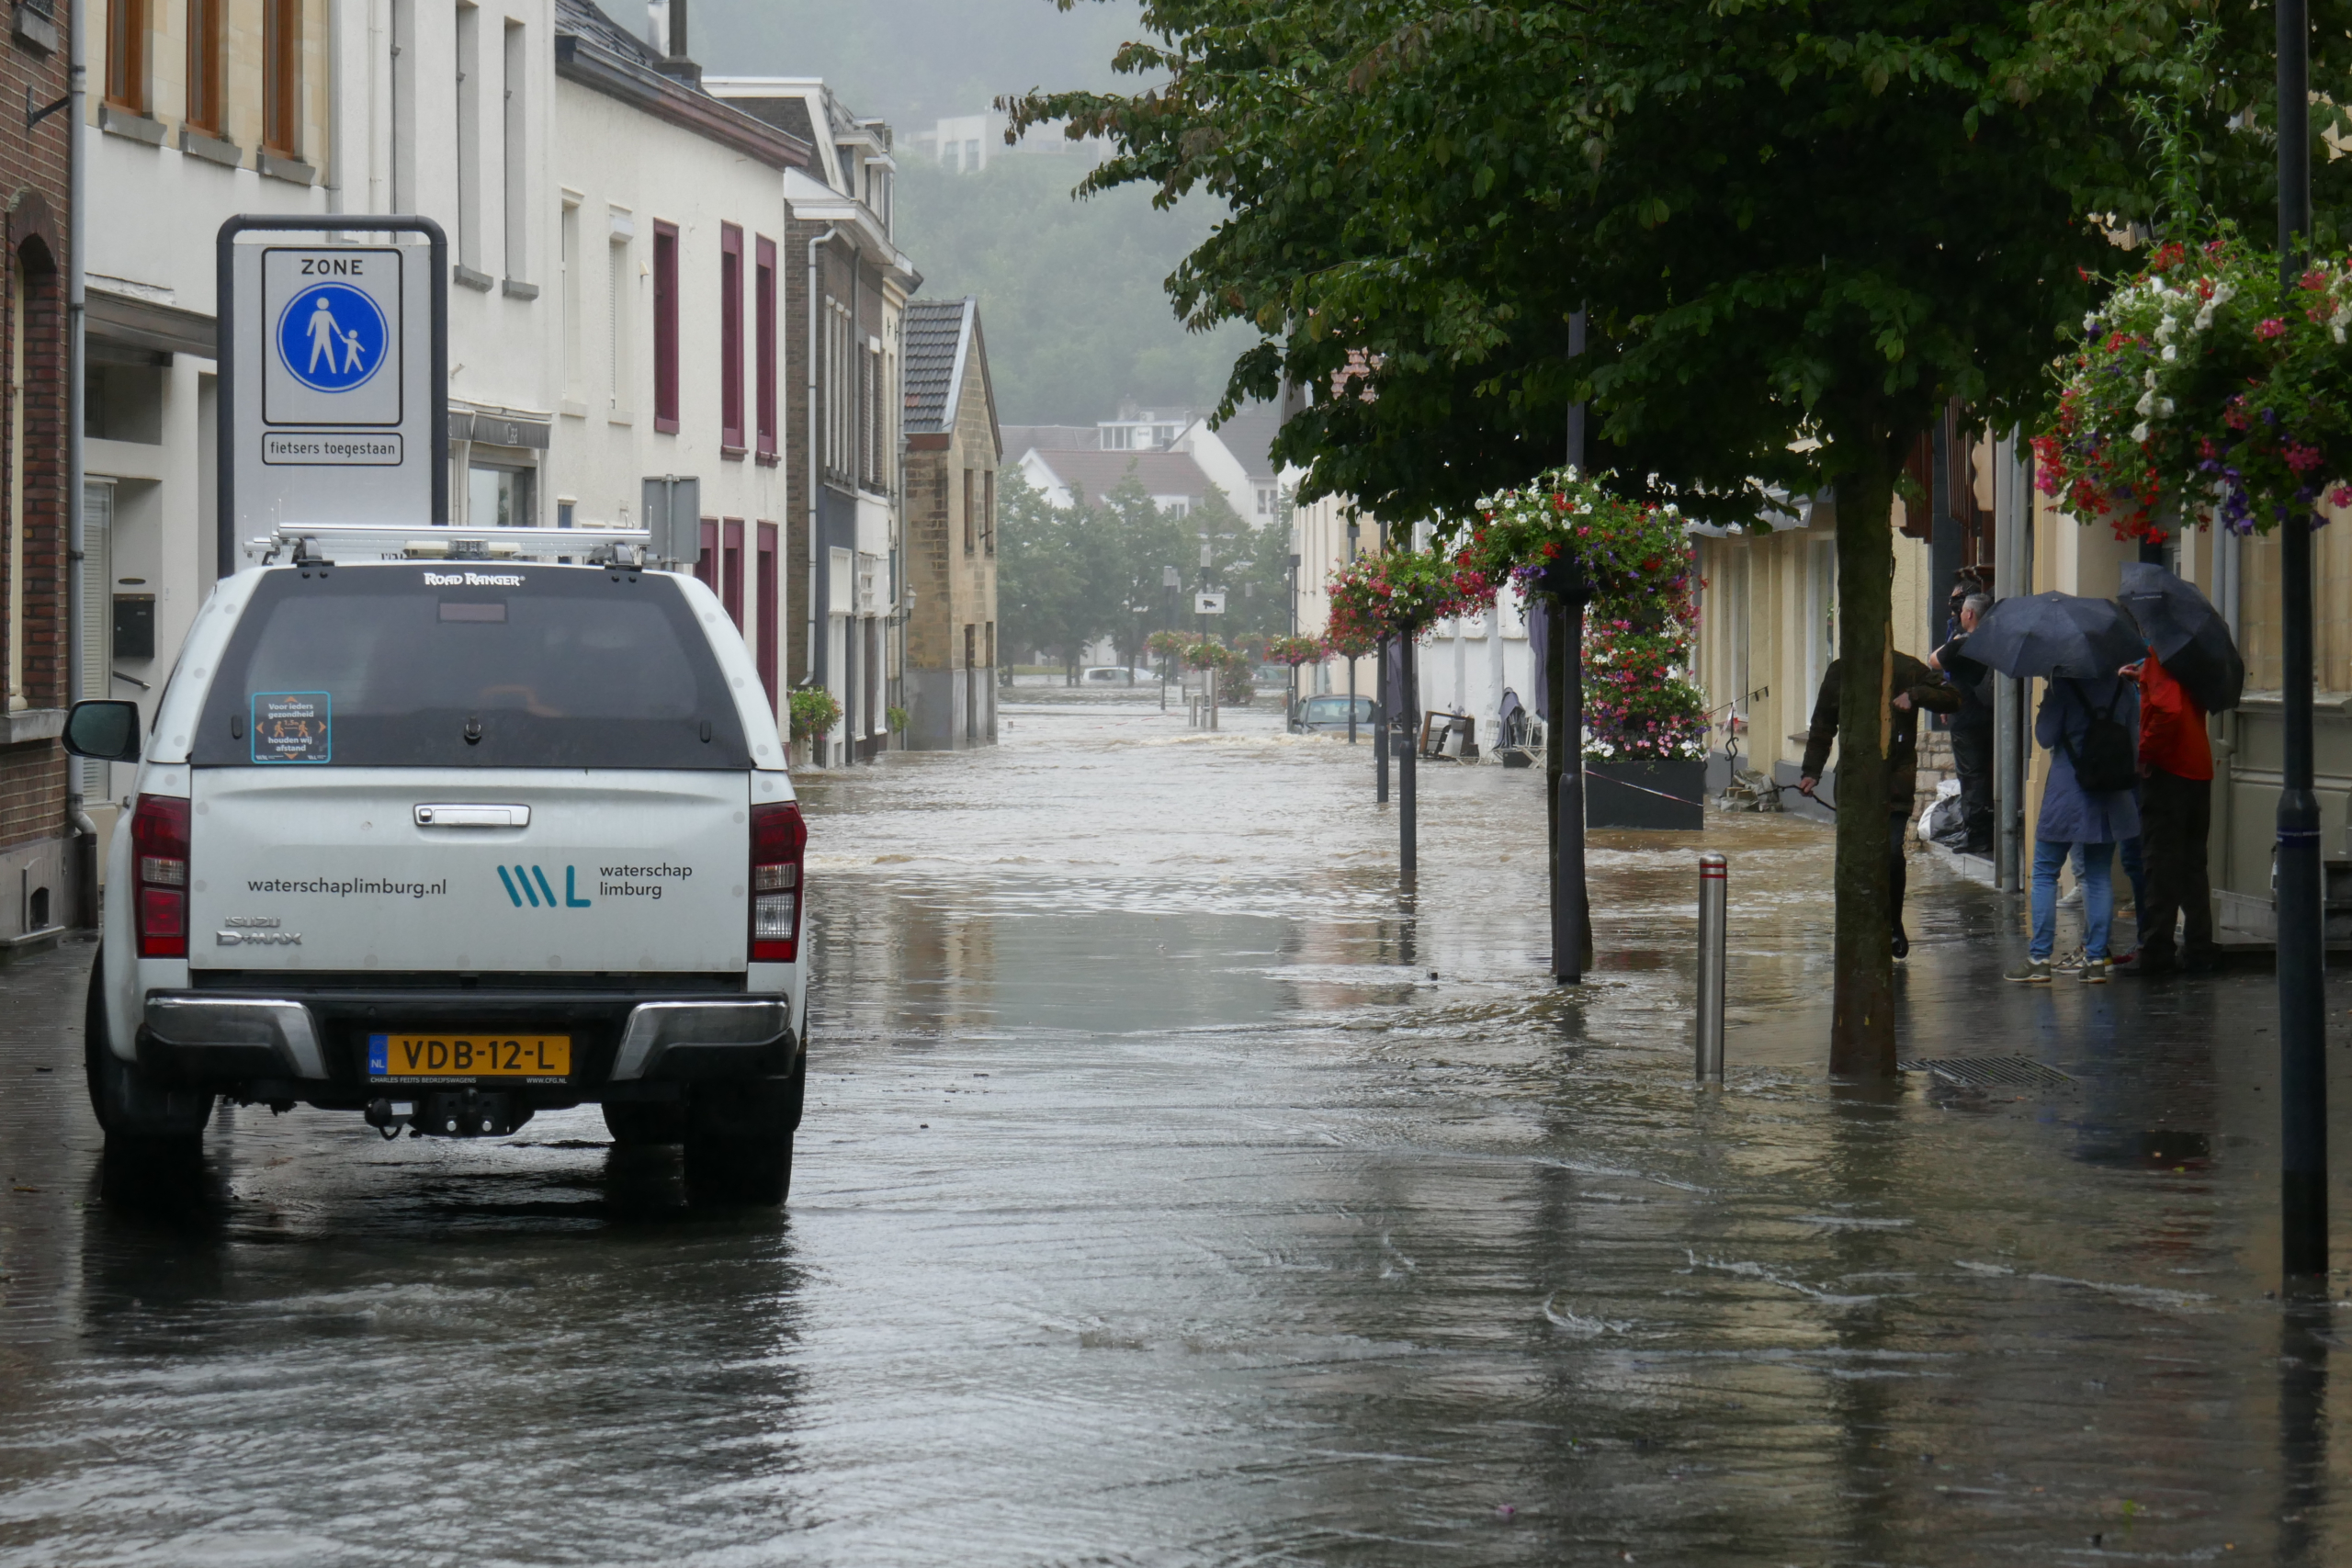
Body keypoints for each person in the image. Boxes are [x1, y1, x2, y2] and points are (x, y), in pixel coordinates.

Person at [1797, 644, 1961, 957]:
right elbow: (1822, 725)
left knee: (1891, 853)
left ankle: (1893, 923)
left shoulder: (1907, 669)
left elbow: (1952, 697)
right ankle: (1856, 926)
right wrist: (1811, 772)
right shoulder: (1841, 672)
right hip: (1854, 784)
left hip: (1894, 783)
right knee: (1855, 856)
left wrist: (1914, 695)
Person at [2005, 672, 2141, 984]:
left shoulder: (2062, 686)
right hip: (2110, 794)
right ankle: (2096, 960)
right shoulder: (2123, 688)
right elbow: (2133, 742)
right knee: (2098, 876)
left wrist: (2046, 705)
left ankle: (2040, 958)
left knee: (2044, 872)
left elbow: (2045, 737)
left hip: (2068, 793)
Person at [2113, 649, 2219, 976]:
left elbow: (2168, 709)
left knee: (2159, 861)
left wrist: (2146, 752)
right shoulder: (2191, 656)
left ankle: (2157, 949)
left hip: (2169, 769)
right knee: (2192, 864)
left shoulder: (2161, 655)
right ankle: (2199, 948)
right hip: (2198, 765)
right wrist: (2143, 679)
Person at [1927, 592, 1996, 854]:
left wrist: (1954, 640)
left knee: (1971, 776)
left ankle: (1976, 834)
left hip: (1966, 718)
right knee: (1982, 774)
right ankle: (1979, 830)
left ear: (1969, 614)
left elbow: (1933, 659)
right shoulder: (1992, 641)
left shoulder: (1962, 644)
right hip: (1989, 716)